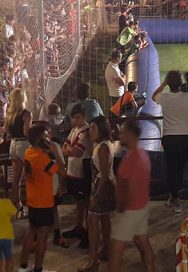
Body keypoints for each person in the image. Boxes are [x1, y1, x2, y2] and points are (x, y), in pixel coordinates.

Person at [109, 120, 155, 272]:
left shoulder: (131, 159)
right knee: (143, 243)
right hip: (141, 207)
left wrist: (121, 206)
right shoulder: (142, 155)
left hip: (129, 210)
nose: (119, 135)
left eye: (122, 132)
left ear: (130, 135)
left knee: (115, 251)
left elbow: (126, 188)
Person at [20, 124, 66, 272]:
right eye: (46, 136)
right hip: (43, 203)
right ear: (40, 139)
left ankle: (23, 265)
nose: (49, 139)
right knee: (42, 237)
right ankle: (38, 268)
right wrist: (55, 152)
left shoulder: (29, 152)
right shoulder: (42, 159)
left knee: (31, 231)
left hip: (32, 200)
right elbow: (62, 171)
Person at [153, 70, 188, 213]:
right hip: (186, 136)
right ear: (180, 82)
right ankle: (175, 197)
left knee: (172, 169)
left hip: (169, 137)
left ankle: (175, 198)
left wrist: (163, 84)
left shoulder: (164, 97)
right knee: (180, 168)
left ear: (168, 83)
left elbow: (153, 96)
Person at [79, 116, 116, 272]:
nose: (90, 131)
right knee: (105, 218)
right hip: (107, 185)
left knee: (92, 222)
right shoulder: (105, 144)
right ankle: (106, 250)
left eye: (93, 128)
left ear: (102, 129)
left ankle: (93, 260)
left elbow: (104, 175)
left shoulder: (102, 148)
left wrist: (97, 195)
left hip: (101, 186)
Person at [62, 103, 93, 247]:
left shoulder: (87, 131)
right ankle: (79, 227)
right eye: (73, 118)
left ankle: (88, 231)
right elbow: (64, 147)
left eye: (77, 117)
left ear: (84, 116)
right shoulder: (74, 130)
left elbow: (77, 152)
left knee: (85, 203)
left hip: (81, 172)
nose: (75, 120)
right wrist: (69, 149)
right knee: (78, 202)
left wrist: (69, 149)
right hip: (72, 172)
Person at [2, 88, 32, 216]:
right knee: (31, 176)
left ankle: (18, 207)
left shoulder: (10, 114)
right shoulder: (26, 114)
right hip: (24, 145)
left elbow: (5, 130)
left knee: (16, 179)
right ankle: (33, 205)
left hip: (13, 145)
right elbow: (26, 132)